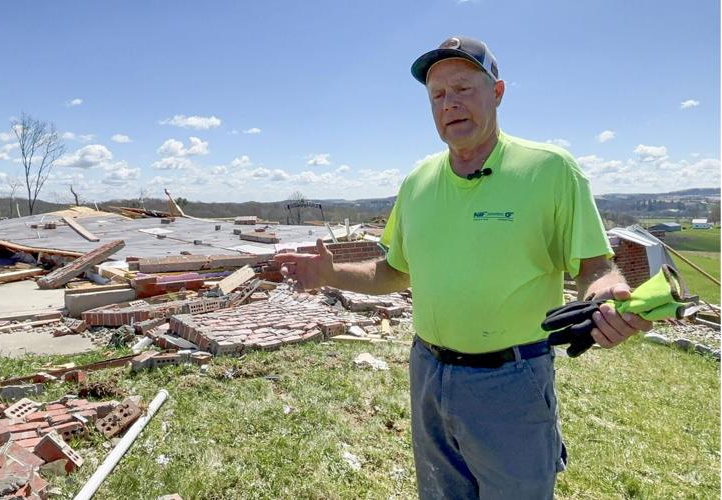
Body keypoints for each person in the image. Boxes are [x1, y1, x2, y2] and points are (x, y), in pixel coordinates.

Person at [274, 36, 653, 500]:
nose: (449, 104)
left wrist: (606, 294)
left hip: (511, 381)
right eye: (437, 95)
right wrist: (330, 275)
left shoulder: (551, 171)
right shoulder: (417, 182)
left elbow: (596, 266)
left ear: (496, 93)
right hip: (428, 372)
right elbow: (393, 273)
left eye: (463, 88)